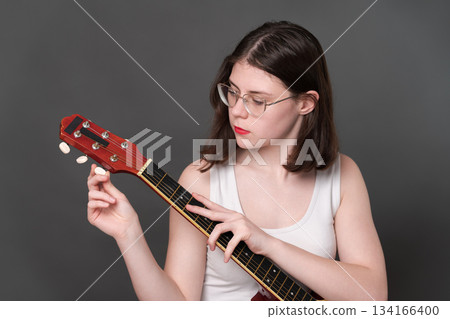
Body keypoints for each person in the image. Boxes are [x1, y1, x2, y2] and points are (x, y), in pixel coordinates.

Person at [86, 21, 387, 301]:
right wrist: (129, 234)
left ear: (305, 103)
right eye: (232, 92)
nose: (237, 111)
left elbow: (373, 295)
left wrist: (268, 244)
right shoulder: (201, 179)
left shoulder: (342, 174)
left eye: (257, 100)